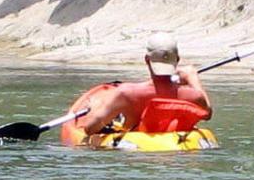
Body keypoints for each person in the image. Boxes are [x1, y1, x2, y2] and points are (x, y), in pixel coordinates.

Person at [74, 32, 213, 135]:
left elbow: (90, 129)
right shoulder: (193, 96)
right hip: (176, 148)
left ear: (147, 59)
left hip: (137, 148)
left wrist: (94, 108)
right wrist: (192, 77)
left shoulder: (126, 93)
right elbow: (207, 113)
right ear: (177, 59)